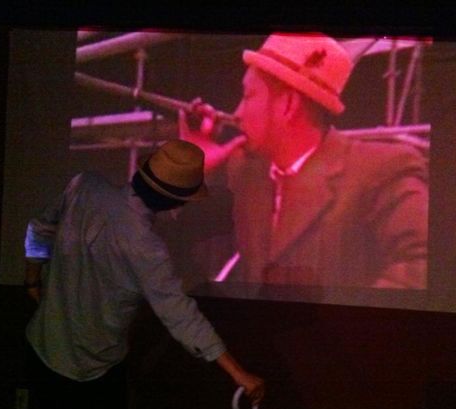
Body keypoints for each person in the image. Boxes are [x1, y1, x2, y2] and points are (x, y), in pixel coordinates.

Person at [23, 139, 265, 409]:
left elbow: (39, 227)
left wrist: (32, 280)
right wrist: (238, 373)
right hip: (93, 368)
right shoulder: (147, 248)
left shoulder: (83, 184)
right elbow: (181, 316)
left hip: (45, 346)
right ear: (176, 202)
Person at [180, 32, 428, 289]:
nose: (237, 113)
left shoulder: (381, 170)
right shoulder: (244, 170)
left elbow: (421, 265)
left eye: (248, 96)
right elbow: (169, 237)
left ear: (288, 105)